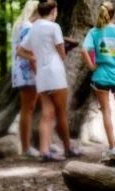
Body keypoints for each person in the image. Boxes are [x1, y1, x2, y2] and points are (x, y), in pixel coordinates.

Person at [17, 0, 82, 162]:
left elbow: (20, 51)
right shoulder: (54, 27)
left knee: (47, 114)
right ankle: (68, 148)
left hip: (41, 77)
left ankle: (44, 152)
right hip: (55, 73)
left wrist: (34, 57)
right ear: (53, 11)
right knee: (61, 113)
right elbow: (62, 53)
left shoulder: (34, 27)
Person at [80, 1, 115, 156]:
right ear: (114, 14)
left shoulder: (94, 32)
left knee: (106, 111)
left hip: (100, 76)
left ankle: (112, 147)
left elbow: (84, 50)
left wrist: (91, 66)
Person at [11, 1, 40, 158]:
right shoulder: (28, 27)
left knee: (28, 108)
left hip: (21, 72)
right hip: (28, 71)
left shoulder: (20, 26)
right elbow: (29, 52)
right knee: (28, 109)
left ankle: (30, 145)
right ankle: (26, 148)